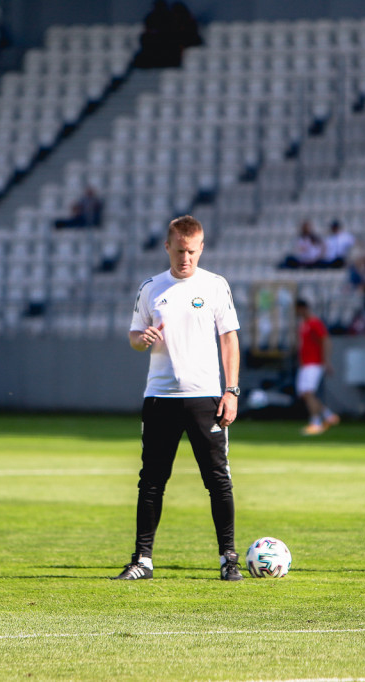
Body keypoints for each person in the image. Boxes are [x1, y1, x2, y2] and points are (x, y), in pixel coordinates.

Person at [114, 215, 244, 582]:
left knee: (218, 480)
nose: (185, 258)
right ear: (167, 247)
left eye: (191, 251)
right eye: (179, 250)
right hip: (160, 398)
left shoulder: (216, 286)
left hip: (206, 399)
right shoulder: (152, 288)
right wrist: (145, 339)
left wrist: (231, 391)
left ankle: (228, 558)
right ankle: (142, 560)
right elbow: (134, 337)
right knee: (151, 481)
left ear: (201, 248)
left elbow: (229, 339)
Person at [295, 299, 340, 435]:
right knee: (304, 393)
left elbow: (325, 340)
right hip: (306, 364)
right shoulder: (304, 324)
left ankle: (316, 422)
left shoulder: (315, 323)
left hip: (314, 363)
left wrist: (326, 360)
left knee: (308, 392)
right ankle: (328, 415)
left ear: (302, 308)